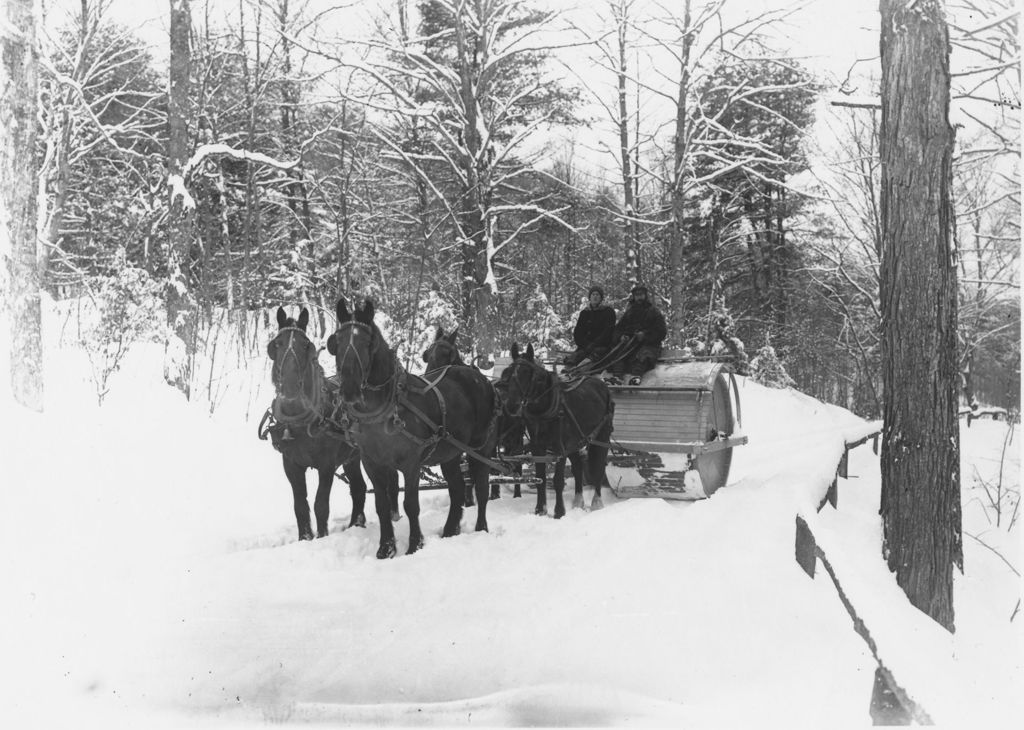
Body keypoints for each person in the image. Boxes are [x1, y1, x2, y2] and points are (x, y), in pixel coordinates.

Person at [608, 284, 666, 385]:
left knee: (644, 354)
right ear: (634, 297)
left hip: (649, 344)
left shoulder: (654, 312)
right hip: (631, 344)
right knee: (618, 352)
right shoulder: (629, 313)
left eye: (641, 295)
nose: (639, 297)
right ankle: (617, 377)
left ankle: (636, 376)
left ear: (645, 296)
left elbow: (661, 331)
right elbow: (618, 329)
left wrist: (645, 335)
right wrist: (622, 336)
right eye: (637, 295)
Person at [564, 285, 616, 368]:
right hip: (585, 347)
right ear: (590, 297)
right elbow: (578, 332)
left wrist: (594, 344)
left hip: (601, 347)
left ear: (601, 298)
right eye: (593, 294)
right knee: (570, 362)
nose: (595, 297)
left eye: (597, 295)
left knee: (583, 366)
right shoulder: (585, 313)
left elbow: (608, 332)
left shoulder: (608, 312)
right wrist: (585, 344)